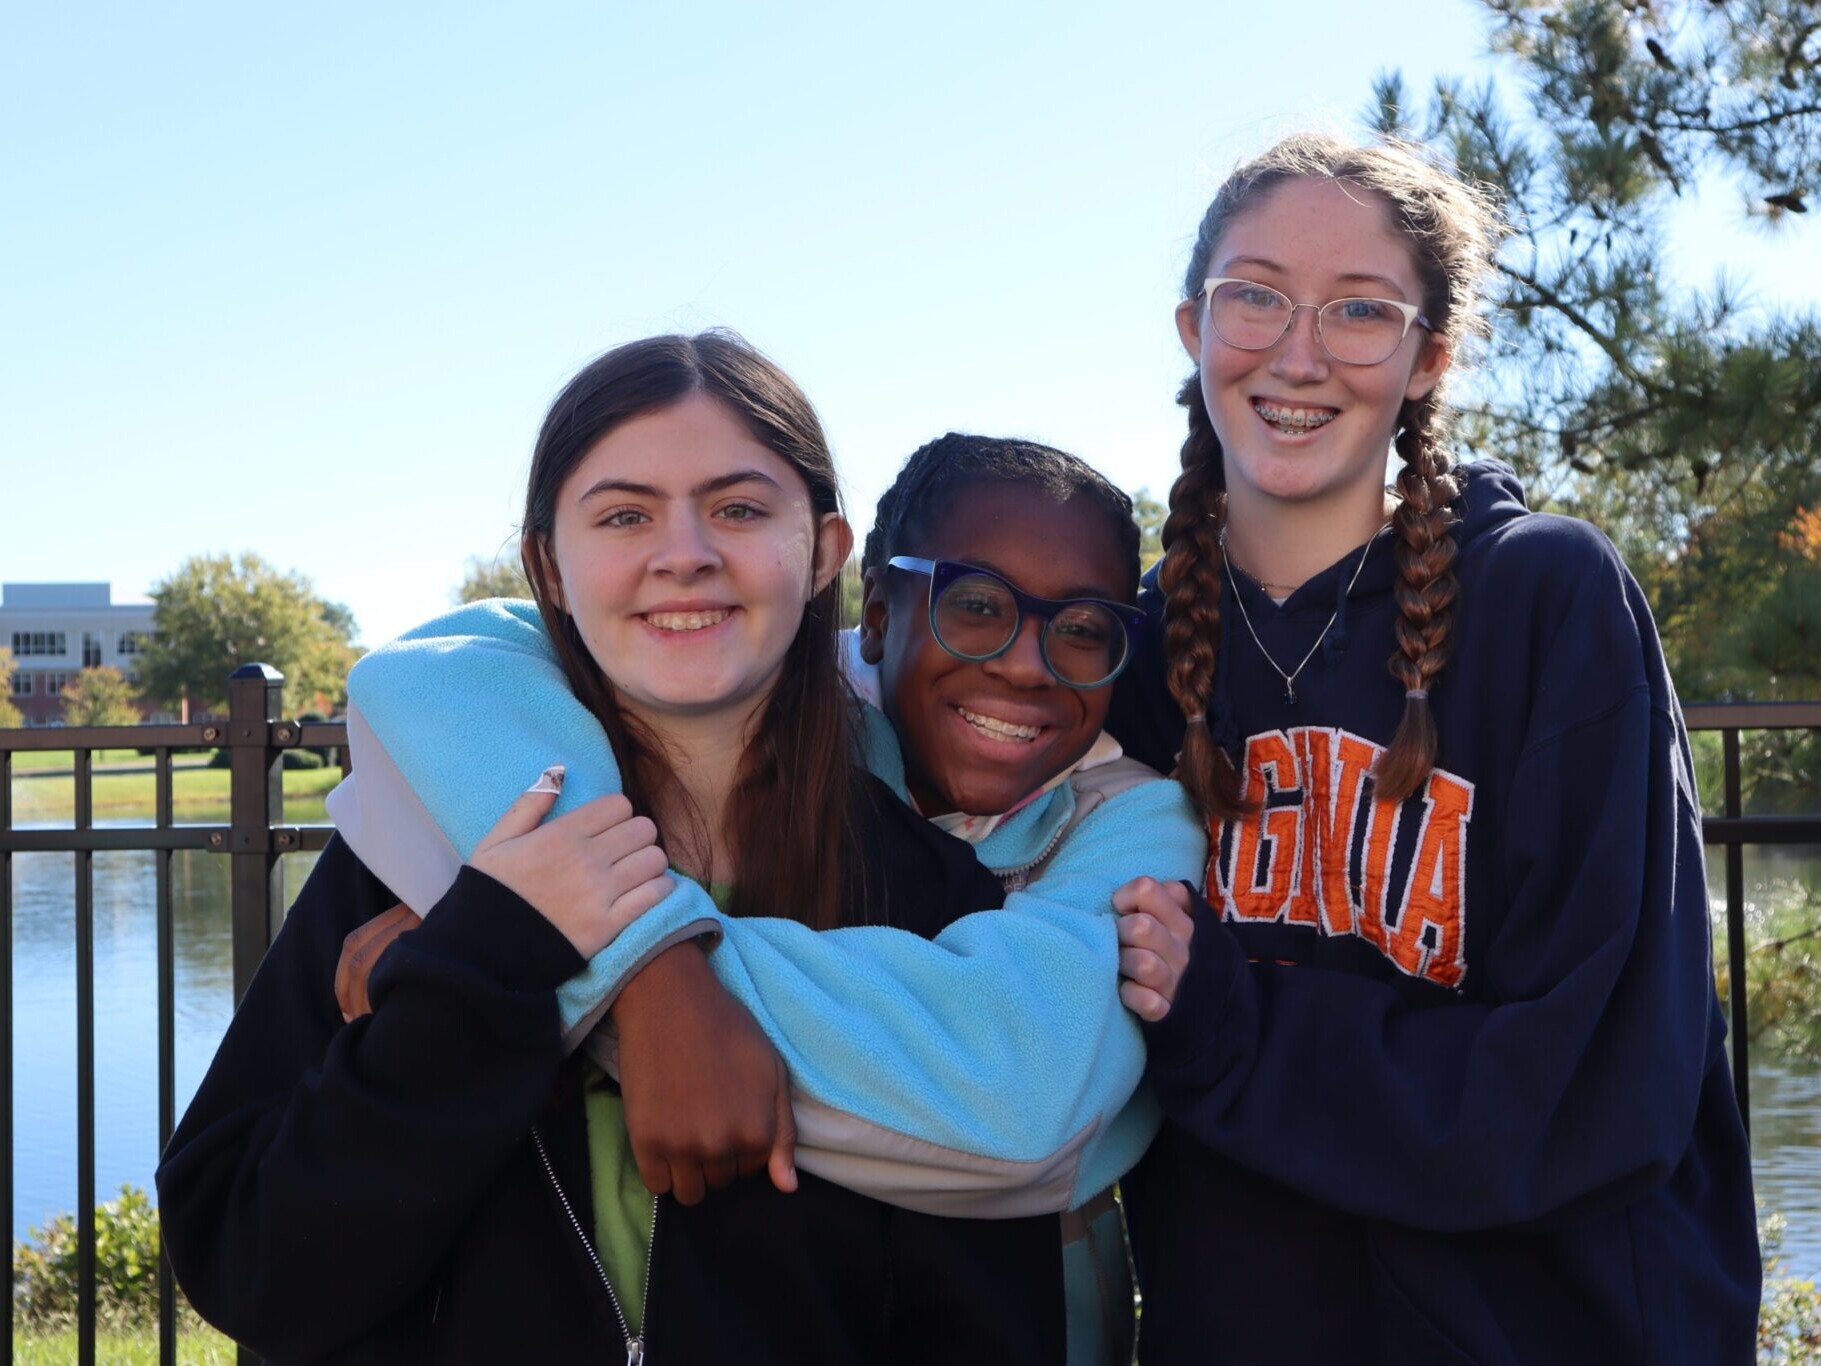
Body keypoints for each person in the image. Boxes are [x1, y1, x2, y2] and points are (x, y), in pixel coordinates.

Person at [161, 333, 1202, 1364]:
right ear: (549, 568)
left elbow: (983, 1312)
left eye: (741, 509)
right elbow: (252, 1261)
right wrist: (485, 978)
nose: (685, 553)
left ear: (824, 556)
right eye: (624, 514)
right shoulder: (435, 853)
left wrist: (605, 970)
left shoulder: (937, 904)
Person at [1103, 133, 1762, 1364]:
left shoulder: (1546, 600)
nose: (1298, 354)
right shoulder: (1132, 656)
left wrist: (1230, 1023)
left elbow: (1597, 1084)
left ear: (1428, 358)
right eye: (1256, 296)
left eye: (1360, 310)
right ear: (1193, 327)